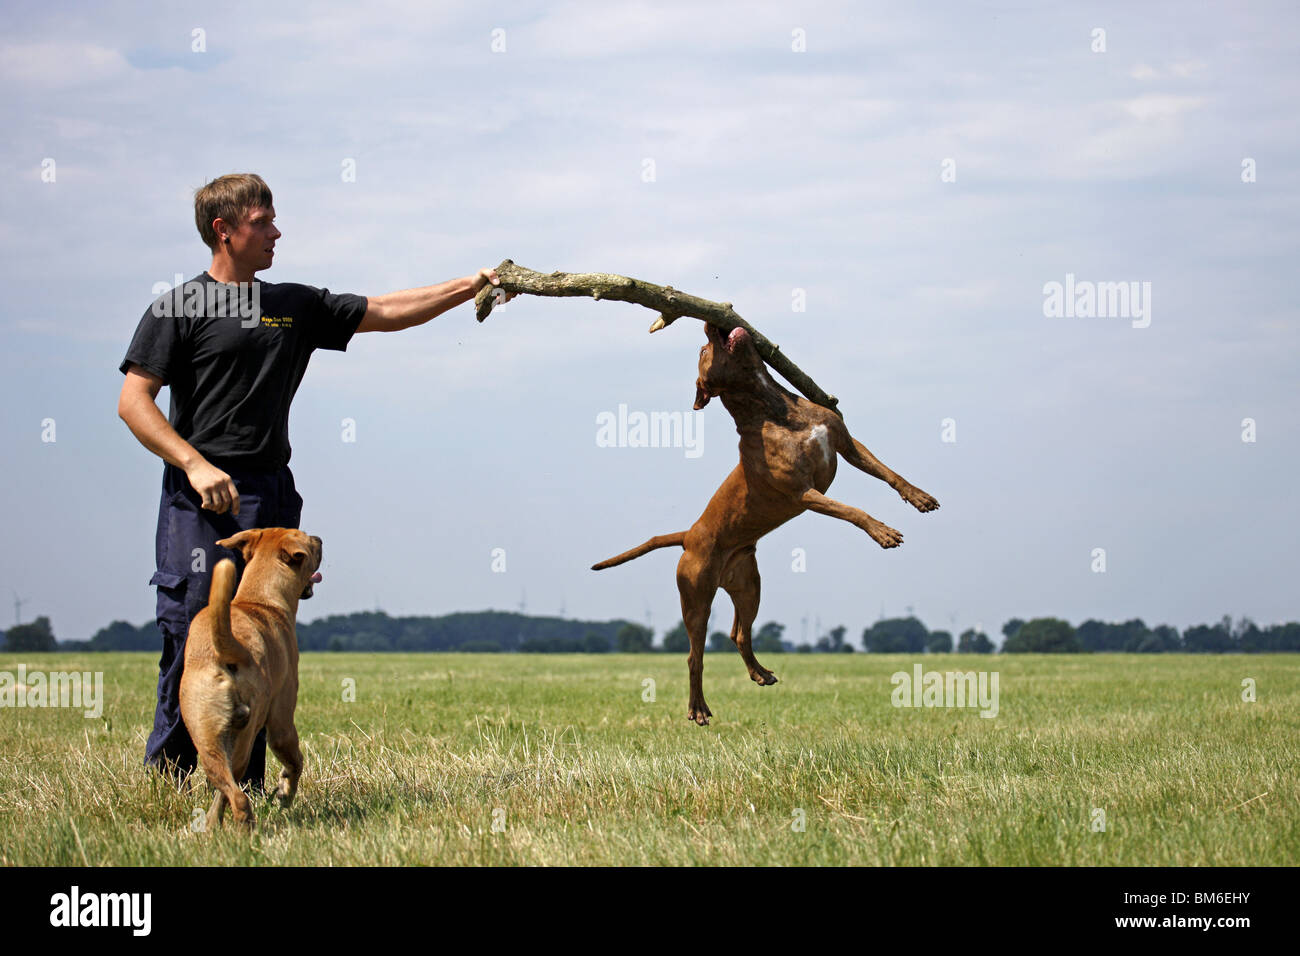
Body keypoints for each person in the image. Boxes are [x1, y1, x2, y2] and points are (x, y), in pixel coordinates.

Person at [117, 172, 514, 790]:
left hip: (270, 493)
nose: (276, 232)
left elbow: (384, 311)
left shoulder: (292, 304)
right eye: (261, 222)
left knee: (261, 642)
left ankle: (240, 787)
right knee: (192, 630)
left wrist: (473, 284)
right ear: (223, 231)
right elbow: (134, 402)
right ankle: (168, 779)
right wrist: (194, 464)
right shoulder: (177, 307)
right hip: (198, 496)